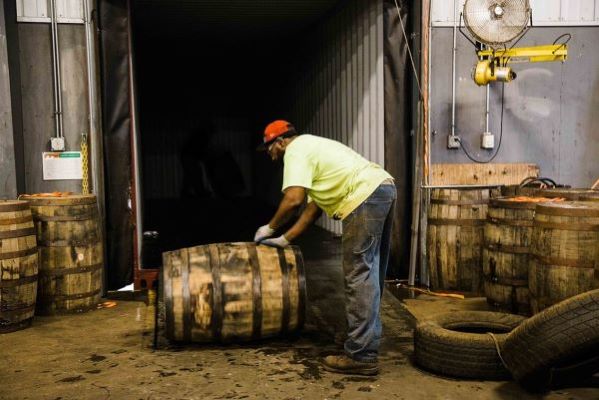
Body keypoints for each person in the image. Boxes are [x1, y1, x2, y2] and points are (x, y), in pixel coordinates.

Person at [254, 120, 396, 376]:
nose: (270, 155)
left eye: (269, 149)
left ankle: (361, 355)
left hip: (364, 195)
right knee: (370, 272)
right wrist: (285, 239)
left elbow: (294, 199)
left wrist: (270, 227)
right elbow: (312, 210)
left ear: (281, 142)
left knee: (359, 276)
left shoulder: (295, 150)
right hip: (382, 187)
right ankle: (364, 341)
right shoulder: (313, 148)